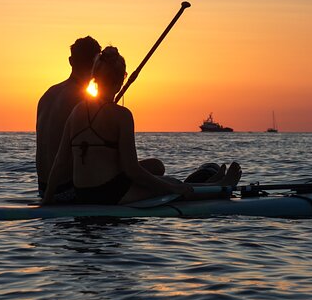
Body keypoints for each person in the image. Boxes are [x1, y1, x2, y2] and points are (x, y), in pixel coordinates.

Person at [41, 46, 241, 206]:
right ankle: (220, 188)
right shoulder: (122, 116)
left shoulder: (76, 111)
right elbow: (132, 170)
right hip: (109, 194)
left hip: (83, 193)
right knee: (172, 185)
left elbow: (59, 162)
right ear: (121, 81)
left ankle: (215, 184)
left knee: (166, 179)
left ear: (94, 78)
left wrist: (48, 200)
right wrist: (172, 190)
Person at [36, 36, 164, 198]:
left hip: (45, 189)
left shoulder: (47, 95)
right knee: (156, 167)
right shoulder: (84, 101)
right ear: (97, 65)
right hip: (72, 189)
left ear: (71, 61)